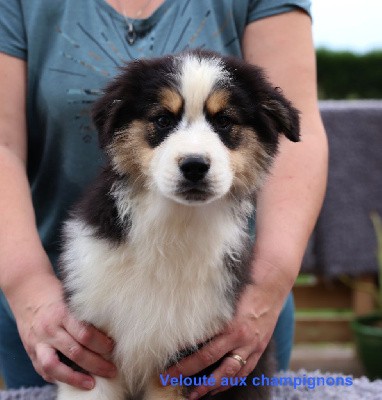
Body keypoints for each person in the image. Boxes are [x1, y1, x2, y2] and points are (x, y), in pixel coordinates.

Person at [0, 0, 328, 398]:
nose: (194, 153)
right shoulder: (90, 252)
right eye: (162, 120)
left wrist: (267, 286)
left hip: (246, 305)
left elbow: (303, 130)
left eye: (224, 122)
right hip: (42, 307)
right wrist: (26, 287)